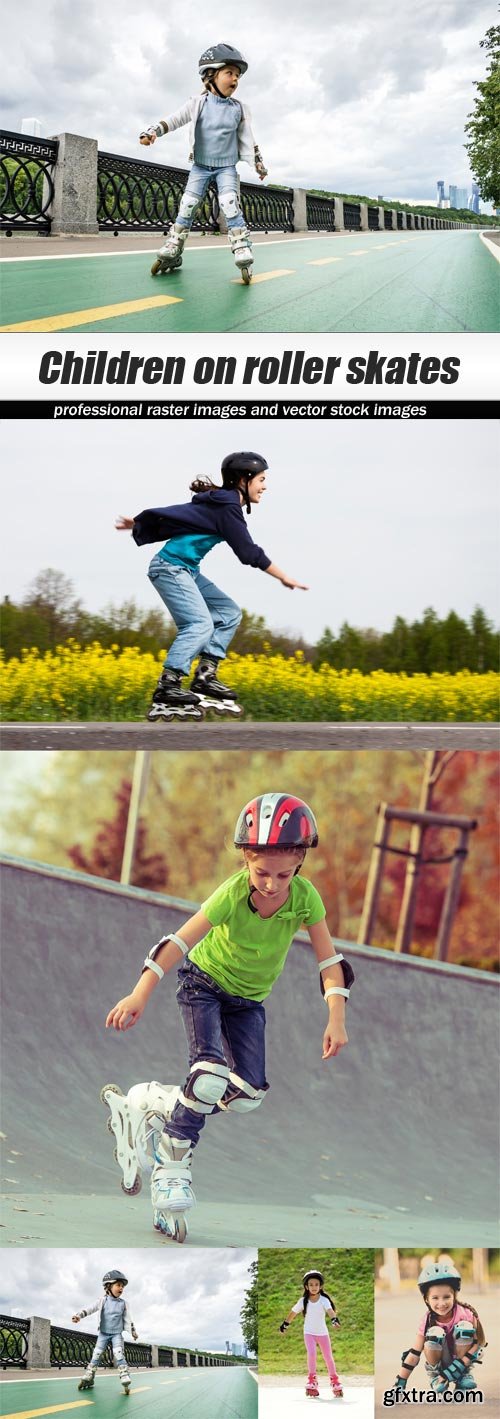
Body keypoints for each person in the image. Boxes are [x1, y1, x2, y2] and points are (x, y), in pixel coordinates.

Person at [104, 794, 354, 1241]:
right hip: (203, 984)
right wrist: (140, 991)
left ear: (299, 862)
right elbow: (178, 941)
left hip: (248, 1002)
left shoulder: (305, 899)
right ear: (245, 859)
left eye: (284, 874)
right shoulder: (233, 893)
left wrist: (336, 1017)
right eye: (261, 873)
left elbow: (329, 961)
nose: (272, 885)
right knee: (209, 1073)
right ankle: (171, 1161)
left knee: (248, 1094)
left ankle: (155, 1104)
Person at [115, 451, 308, 720]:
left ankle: (206, 675)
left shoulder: (221, 503)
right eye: (262, 479)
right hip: (170, 569)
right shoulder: (227, 506)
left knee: (228, 612)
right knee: (199, 624)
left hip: (186, 570)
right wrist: (283, 576)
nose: (265, 486)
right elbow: (247, 552)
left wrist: (140, 522)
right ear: (245, 479)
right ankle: (168, 684)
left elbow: (182, 516)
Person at [139, 42, 267, 282]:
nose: (235, 79)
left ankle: (241, 246)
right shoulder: (197, 104)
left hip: (226, 166)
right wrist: (153, 131)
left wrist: (258, 164)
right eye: (229, 73)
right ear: (210, 76)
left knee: (229, 202)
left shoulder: (238, 109)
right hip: (200, 165)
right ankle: (174, 247)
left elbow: (249, 140)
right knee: (187, 204)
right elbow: (174, 120)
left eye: (237, 76)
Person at [392, 1261, 486, 1396]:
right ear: (426, 1299)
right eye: (435, 1298)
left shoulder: (466, 1313)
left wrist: (456, 1369)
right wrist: (400, 1382)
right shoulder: (427, 1320)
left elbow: (477, 1345)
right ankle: (436, 1377)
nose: (441, 1303)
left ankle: (463, 1377)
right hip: (439, 1359)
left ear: (454, 1295)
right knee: (434, 1333)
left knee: (465, 1328)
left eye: (447, 1297)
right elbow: (414, 1354)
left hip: (463, 1358)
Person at [279, 1267, 343, 1398]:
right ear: (306, 1286)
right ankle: (312, 1380)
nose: (314, 1287)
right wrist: (285, 1324)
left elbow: (330, 1310)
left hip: (323, 1333)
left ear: (320, 1286)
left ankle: (335, 1381)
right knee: (312, 1354)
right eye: (311, 1285)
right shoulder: (303, 1301)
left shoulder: (324, 1299)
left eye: (316, 1284)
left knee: (328, 1357)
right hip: (309, 1333)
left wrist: (334, 1319)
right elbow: (293, 1313)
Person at [73, 1270, 137, 1394]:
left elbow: (129, 1320)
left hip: (116, 1334)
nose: (121, 1288)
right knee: (96, 1354)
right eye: (118, 1285)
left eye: (122, 1286)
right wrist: (79, 1315)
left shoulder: (123, 1304)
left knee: (118, 1352)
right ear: (108, 1286)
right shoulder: (102, 1301)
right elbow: (90, 1309)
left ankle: (124, 1374)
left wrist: (133, 1332)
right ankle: (89, 1376)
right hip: (103, 1333)